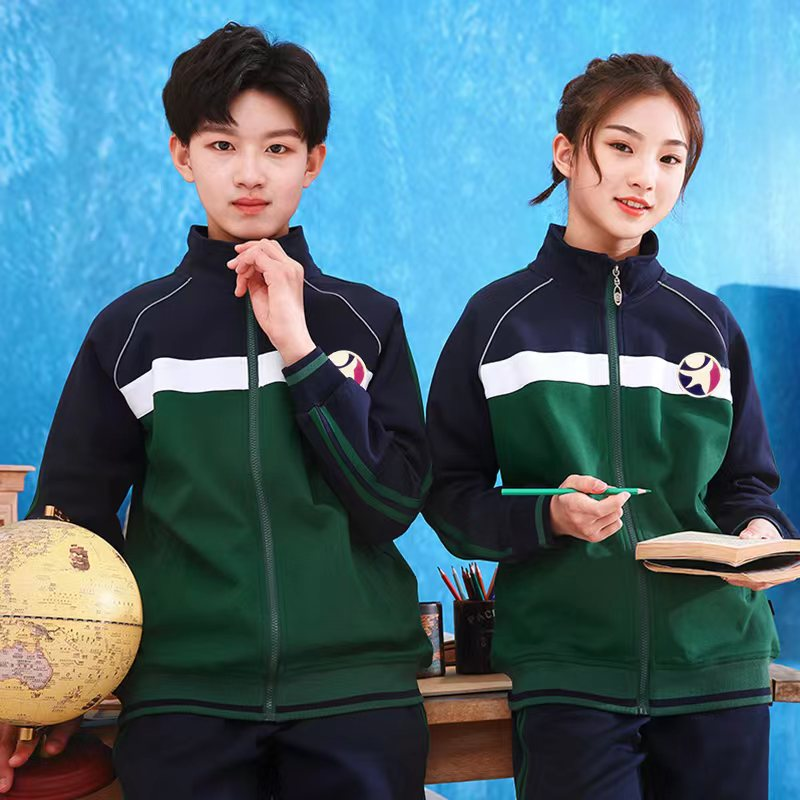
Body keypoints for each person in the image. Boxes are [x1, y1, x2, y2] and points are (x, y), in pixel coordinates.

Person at [0, 22, 431, 800]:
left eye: (277, 148)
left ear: (313, 162)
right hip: (183, 701)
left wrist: (302, 351)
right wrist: (50, 688)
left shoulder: (367, 322)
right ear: (183, 155)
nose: (250, 173)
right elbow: (71, 534)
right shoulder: (130, 332)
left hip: (356, 695)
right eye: (223, 145)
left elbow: (392, 504)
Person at [424, 53, 796, 800]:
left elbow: (745, 484)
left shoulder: (709, 326)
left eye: (669, 158)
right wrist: (549, 514)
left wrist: (759, 530)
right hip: (569, 672)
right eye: (622, 146)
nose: (645, 177)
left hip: (718, 667)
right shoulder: (498, 321)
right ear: (566, 153)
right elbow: (448, 494)